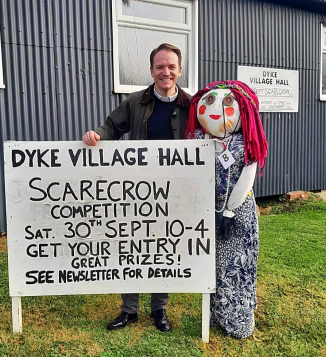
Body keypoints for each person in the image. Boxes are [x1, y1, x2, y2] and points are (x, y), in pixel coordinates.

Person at [82, 43, 190, 332]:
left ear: (180, 69)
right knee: (132, 245)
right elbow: (112, 128)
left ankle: (160, 310)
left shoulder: (191, 105)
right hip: (138, 188)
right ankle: (129, 310)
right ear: (151, 70)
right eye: (159, 67)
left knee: (163, 247)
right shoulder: (135, 102)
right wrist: (97, 136)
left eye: (171, 66)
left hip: (175, 190)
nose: (165, 72)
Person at [185, 80, 268, 339]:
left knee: (236, 265)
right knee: (210, 266)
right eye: (208, 102)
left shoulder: (246, 142)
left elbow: (247, 178)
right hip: (207, 213)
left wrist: (229, 210)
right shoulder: (198, 139)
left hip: (237, 214)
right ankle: (213, 315)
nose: (215, 110)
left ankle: (237, 319)